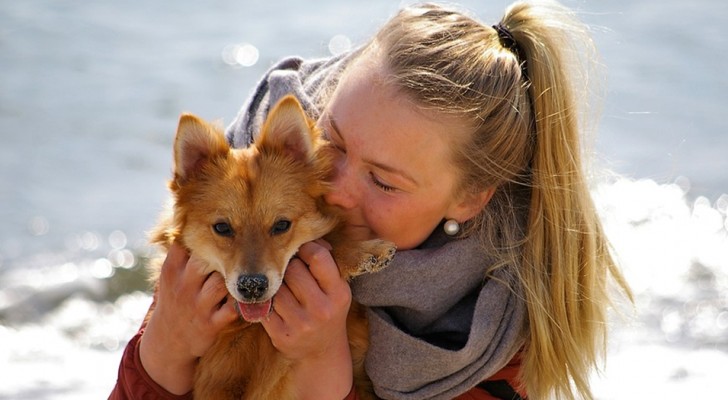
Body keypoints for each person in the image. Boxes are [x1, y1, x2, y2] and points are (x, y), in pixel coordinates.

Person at [110, 1, 632, 399]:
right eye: (331, 141)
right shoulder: (234, 211)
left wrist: (320, 360)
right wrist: (166, 347)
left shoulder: (486, 337)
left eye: (384, 181)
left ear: (469, 200)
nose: (330, 190)